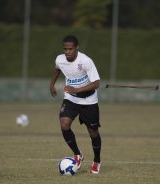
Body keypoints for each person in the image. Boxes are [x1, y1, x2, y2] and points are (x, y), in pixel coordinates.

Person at [50, 35, 102, 174]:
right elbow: (57, 69)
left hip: (89, 101)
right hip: (71, 99)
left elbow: (96, 83)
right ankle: (77, 154)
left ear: (77, 48)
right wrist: (52, 84)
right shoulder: (60, 59)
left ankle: (97, 161)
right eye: (65, 49)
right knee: (64, 124)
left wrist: (77, 89)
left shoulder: (85, 61)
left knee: (93, 133)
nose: (67, 51)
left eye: (70, 49)